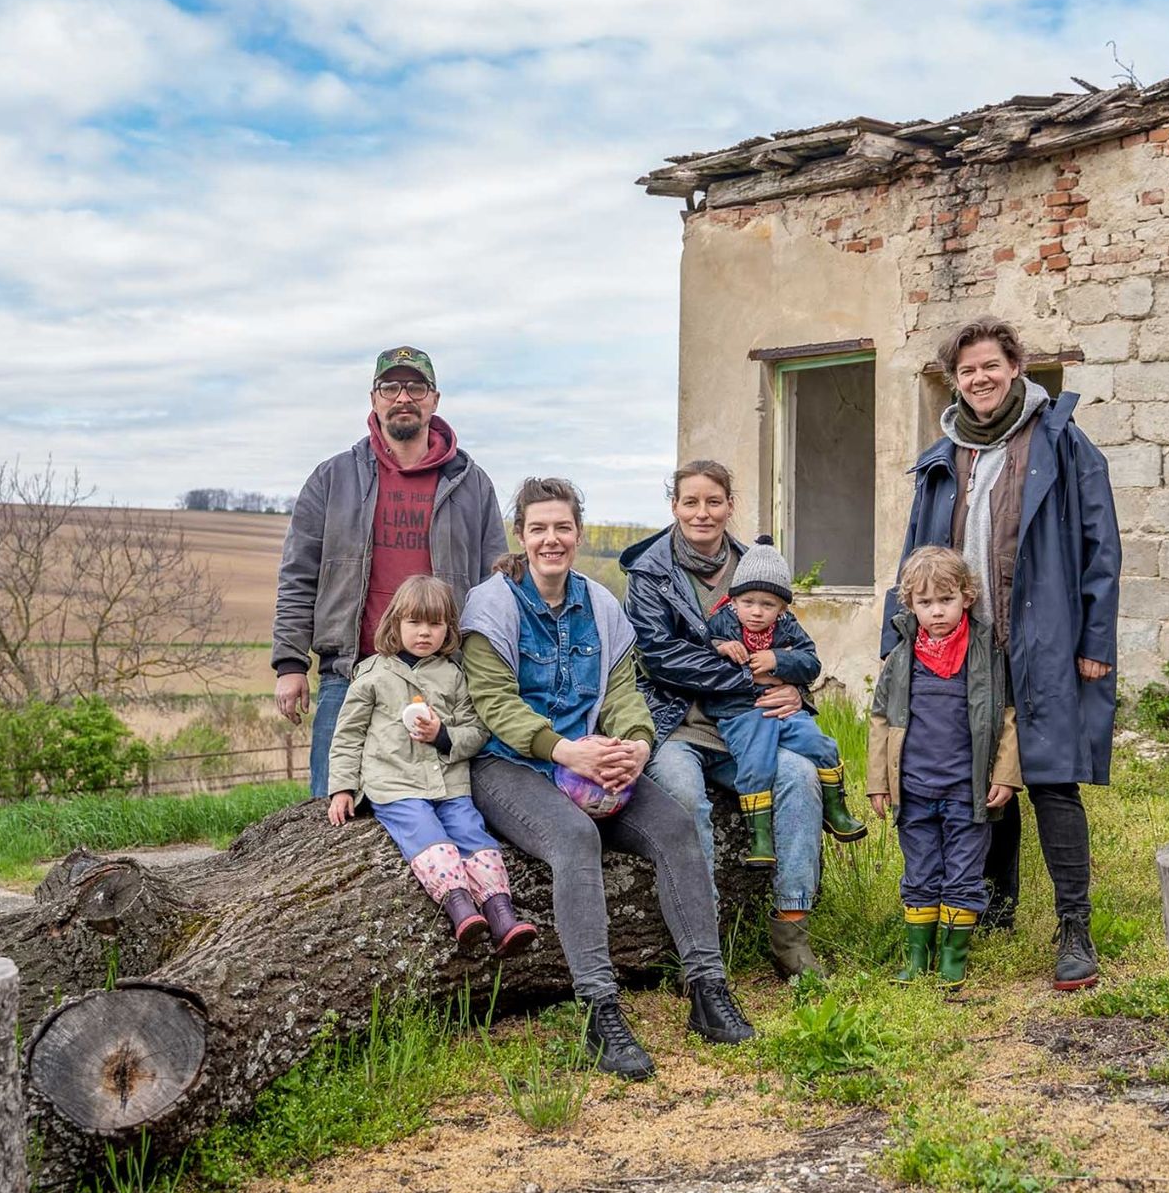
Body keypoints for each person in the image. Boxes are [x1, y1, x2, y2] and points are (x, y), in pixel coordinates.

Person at [462, 477, 756, 1080]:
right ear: (521, 534)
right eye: (538, 528)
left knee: (673, 825)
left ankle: (707, 988)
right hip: (508, 764)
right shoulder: (490, 604)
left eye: (562, 527)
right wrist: (566, 750)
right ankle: (600, 1011)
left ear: (578, 532)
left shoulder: (600, 603)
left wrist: (637, 747)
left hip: (594, 761)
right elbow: (495, 703)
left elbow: (623, 694)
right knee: (575, 839)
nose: (552, 539)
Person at [885, 319, 1121, 990]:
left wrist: (1095, 640)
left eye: (991, 365)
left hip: (1043, 634)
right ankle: (995, 904)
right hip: (962, 643)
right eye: (967, 371)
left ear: (1015, 367)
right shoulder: (945, 455)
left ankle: (1074, 925)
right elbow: (914, 551)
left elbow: (1100, 546)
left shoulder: (1061, 443)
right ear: (954, 380)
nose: (980, 378)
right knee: (982, 770)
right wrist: (894, 636)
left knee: (1049, 775)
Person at [621, 461, 848, 981]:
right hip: (677, 722)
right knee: (682, 792)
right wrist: (753, 681)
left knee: (800, 776)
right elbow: (661, 658)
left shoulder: (757, 566)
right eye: (690, 502)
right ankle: (702, 944)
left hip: (750, 724)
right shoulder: (649, 573)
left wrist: (793, 685)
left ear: (729, 506)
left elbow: (791, 645)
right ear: (674, 507)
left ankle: (791, 931)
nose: (703, 513)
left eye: (713, 502)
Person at [272, 346, 509, 798]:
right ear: (374, 398)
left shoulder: (472, 484)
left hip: (445, 676)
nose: (404, 397)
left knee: (446, 802)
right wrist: (290, 663)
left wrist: (488, 669)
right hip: (351, 671)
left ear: (434, 400)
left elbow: (494, 588)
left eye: (416, 387)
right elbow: (297, 575)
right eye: (391, 387)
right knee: (334, 808)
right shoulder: (332, 478)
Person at [325, 574, 537, 956]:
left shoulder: (453, 676)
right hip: (396, 785)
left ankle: (502, 914)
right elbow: (348, 735)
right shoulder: (374, 674)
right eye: (414, 623)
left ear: (448, 629)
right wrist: (341, 787)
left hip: (449, 783)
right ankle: (461, 909)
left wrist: (443, 735)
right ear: (395, 624)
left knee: (472, 833)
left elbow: (477, 727)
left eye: (435, 624)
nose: (425, 633)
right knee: (425, 833)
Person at [867, 547, 1020, 986]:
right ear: (911, 605)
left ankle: (953, 959)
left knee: (964, 873)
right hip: (913, 791)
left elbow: (1007, 717)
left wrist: (1005, 775)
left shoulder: (985, 655)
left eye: (946, 600)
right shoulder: (901, 659)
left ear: (967, 598)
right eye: (926, 603)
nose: (937, 612)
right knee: (920, 871)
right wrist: (879, 783)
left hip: (966, 791)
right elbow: (880, 720)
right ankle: (919, 957)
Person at [704, 538, 866, 867]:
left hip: (785, 709)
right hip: (743, 713)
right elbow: (700, 656)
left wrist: (778, 660)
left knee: (820, 744)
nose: (757, 611)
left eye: (768, 604)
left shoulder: (789, 628)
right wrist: (720, 648)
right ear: (733, 601)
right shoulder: (720, 623)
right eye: (748, 601)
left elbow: (811, 664)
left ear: (783, 608)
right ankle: (760, 837)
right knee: (757, 763)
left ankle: (837, 810)